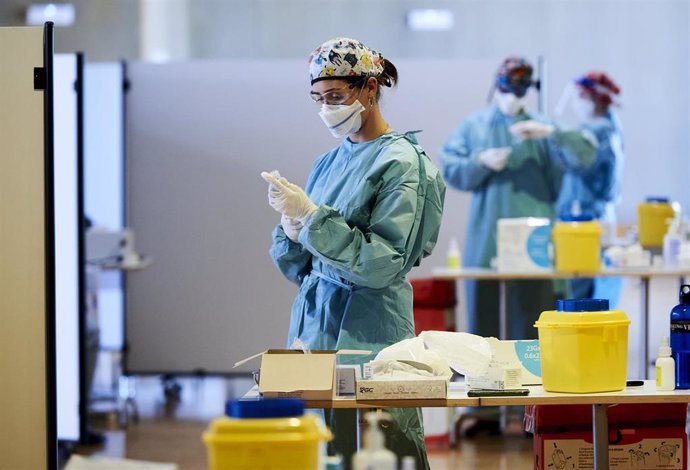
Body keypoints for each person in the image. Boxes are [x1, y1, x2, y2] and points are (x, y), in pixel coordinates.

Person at [261, 37, 445, 470]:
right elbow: (302, 269)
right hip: (314, 328)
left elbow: (381, 264)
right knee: (322, 451)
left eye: (336, 97)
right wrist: (292, 230)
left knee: (381, 450)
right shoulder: (329, 162)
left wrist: (314, 221)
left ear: (370, 88)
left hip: (371, 331)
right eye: (319, 99)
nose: (327, 108)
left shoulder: (402, 164)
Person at [440, 57, 596, 341]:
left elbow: (586, 155)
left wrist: (554, 134)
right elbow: (450, 167)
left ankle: (534, 382)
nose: (512, 96)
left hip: (534, 243)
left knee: (533, 329)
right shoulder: (476, 126)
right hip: (487, 242)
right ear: (497, 85)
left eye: (519, 89)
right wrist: (480, 162)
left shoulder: (543, 127)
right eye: (508, 88)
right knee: (482, 333)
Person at [556, 71, 623, 298]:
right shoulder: (602, 129)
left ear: (597, 98)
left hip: (588, 220)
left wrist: (557, 135)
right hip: (588, 220)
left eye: (582, 96)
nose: (577, 101)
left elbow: (583, 161)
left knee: (583, 297)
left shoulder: (602, 132)